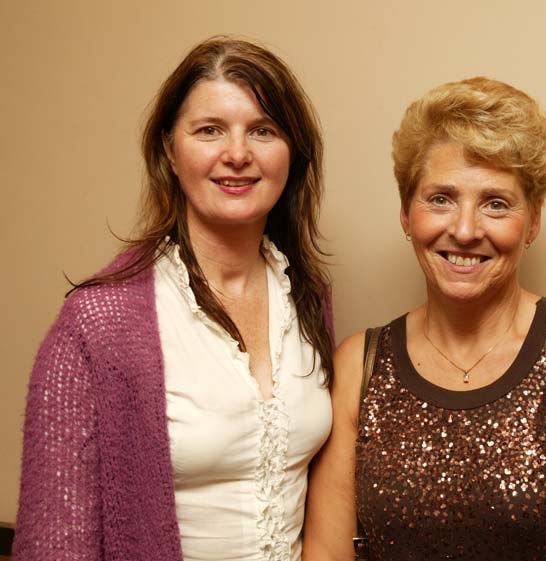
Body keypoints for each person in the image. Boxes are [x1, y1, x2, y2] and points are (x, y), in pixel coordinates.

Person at [303, 77, 546, 561]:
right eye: (440, 198)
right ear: (405, 213)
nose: (464, 229)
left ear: (533, 221)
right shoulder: (359, 366)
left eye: (496, 203)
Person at [14, 36, 334, 561]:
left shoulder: (305, 296)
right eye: (210, 130)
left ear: (292, 152)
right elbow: (54, 544)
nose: (237, 153)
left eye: (263, 130)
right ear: (169, 149)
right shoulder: (97, 324)